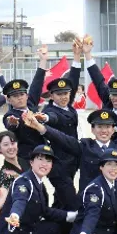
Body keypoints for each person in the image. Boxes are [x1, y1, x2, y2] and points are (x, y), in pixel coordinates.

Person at [40, 47, 82, 210]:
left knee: (60, 199)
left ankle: (56, 232)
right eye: (59, 94)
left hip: (72, 162)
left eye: (66, 93)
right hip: (58, 164)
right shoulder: (51, 110)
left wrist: (77, 57)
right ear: (51, 96)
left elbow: (74, 78)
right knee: (71, 201)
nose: (64, 97)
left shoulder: (67, 105)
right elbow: (52, 118)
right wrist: (44, 119)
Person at [2, 46, 50, 160]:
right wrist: (13, 123)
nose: (19, 98)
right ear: (9, 100)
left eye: (21, 94)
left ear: (26, 96)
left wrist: (43, 60)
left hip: (42, 155)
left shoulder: (31, 104)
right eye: (15, 96)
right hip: (25, 159)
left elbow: (37, 84)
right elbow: (11, 124)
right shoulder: (9, 115)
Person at [0, 131, 30, 230]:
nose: (11, 147)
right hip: (9, 219)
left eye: (13, 143)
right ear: (0, 150)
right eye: (6, 145)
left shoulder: (25, 162)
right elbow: (2, 196)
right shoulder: (5, 173)